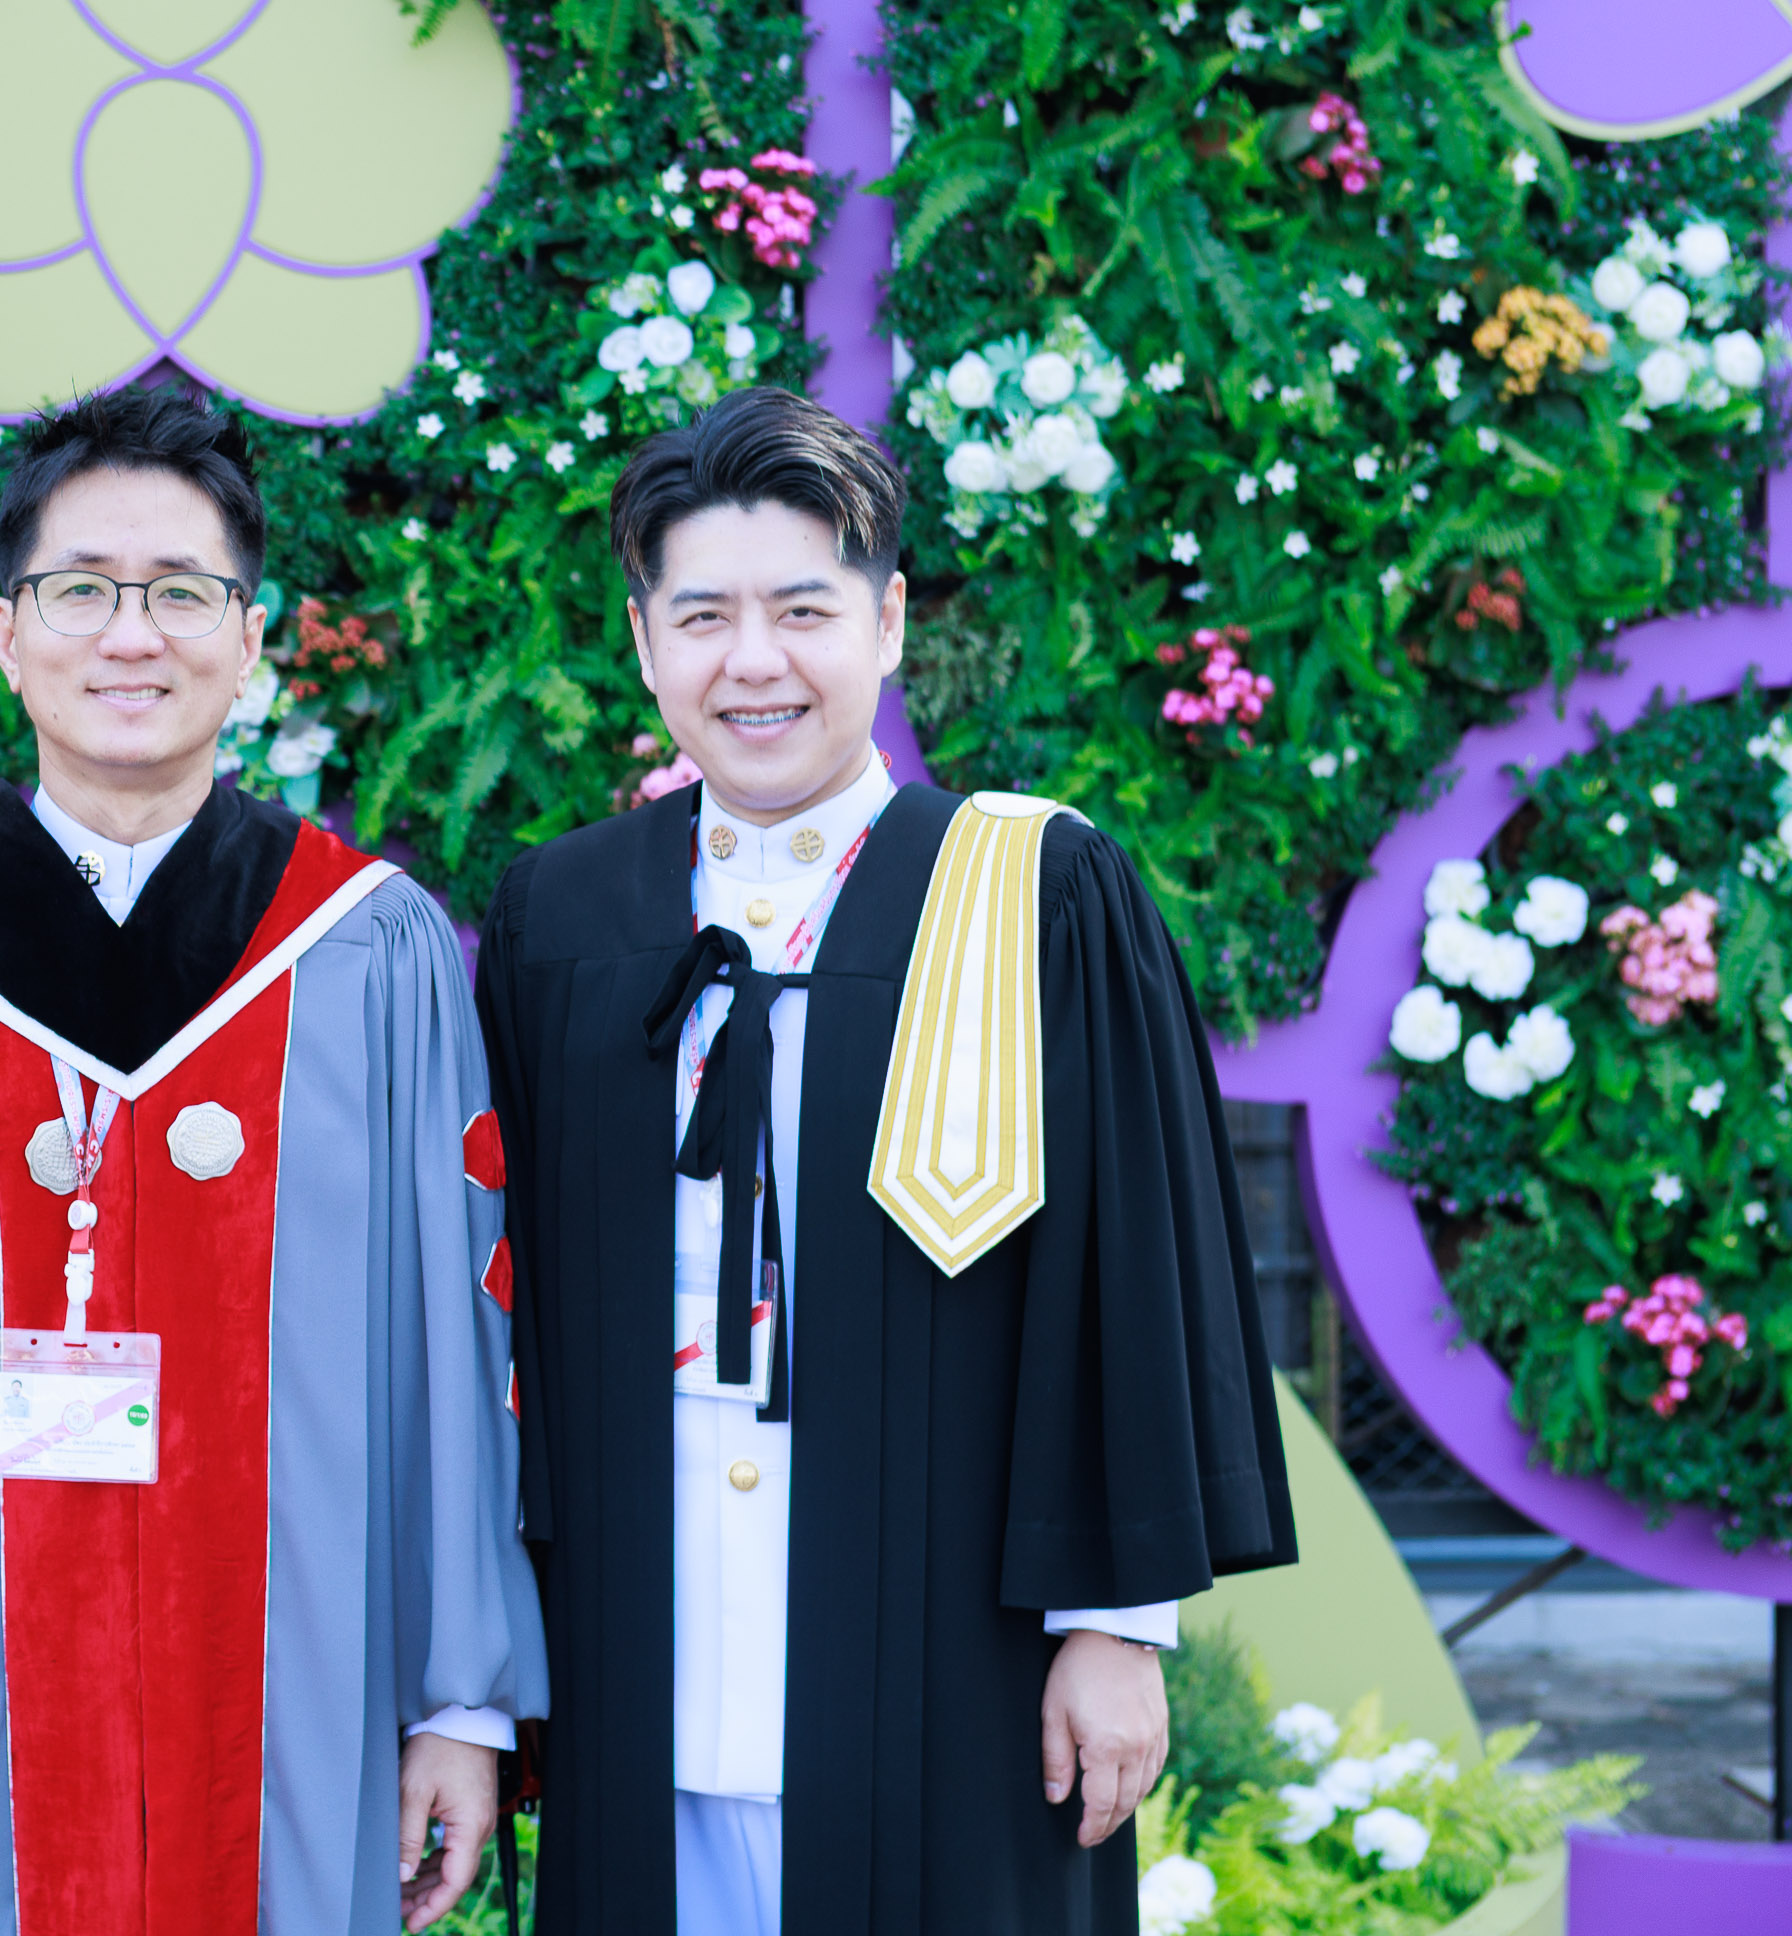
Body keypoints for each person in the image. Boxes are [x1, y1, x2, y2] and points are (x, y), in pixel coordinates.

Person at [0, 385, 546, 1935]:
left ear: (252, 638)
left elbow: (457, 1355)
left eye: (182, 594)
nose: (130, 636)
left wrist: (461, 1705)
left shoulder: (373, 956)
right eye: (81, 591)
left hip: (296, 1704)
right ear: (7, 635)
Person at [477, 387, 1295, 1933]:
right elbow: (498, 1298)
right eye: (703, 616)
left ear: (890, 620)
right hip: (635, 1638)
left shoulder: (1028, 891)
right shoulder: (562, 916)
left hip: (949, 1653)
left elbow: (1127, 1269)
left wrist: (1115, 1626)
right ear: (644, 641)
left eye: (804, 610)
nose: (754, 661)